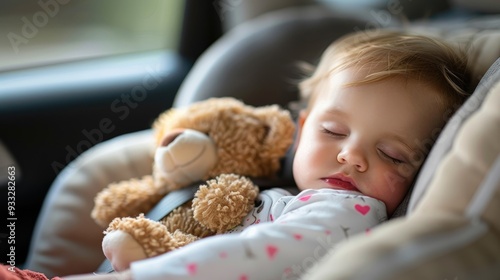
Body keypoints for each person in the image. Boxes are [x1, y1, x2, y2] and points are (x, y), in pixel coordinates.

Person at [62, 29, 471, 280]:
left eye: (392, 154)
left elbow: (256, 256)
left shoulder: (350, 212)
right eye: (333, 131)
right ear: (302, 126)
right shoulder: (285, 190)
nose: (352, 156)